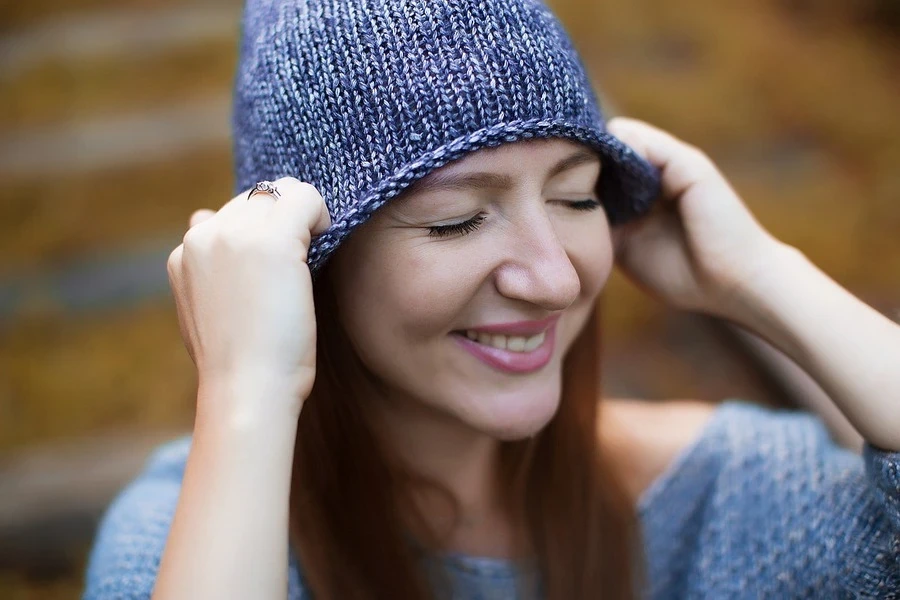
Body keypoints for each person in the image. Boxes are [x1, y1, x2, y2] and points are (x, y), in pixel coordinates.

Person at [82, 1, 900, 598]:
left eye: (578, 198)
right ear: (303, 263)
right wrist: (244, 395)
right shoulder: (182, 548)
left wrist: (760, 274)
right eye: (457, 220)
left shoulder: (719, 495)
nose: (557, 278)